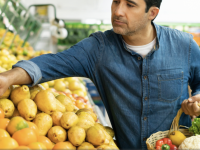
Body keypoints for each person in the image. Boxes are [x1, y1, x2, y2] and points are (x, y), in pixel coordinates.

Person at [0, 0, 200, 149]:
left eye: (130, 5)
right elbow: (50, 64)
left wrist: (198, 98)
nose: (118, 11)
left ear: (152, 13)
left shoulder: (185, 46)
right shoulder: (98, 49)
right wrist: (7, 78)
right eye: (115, 2)